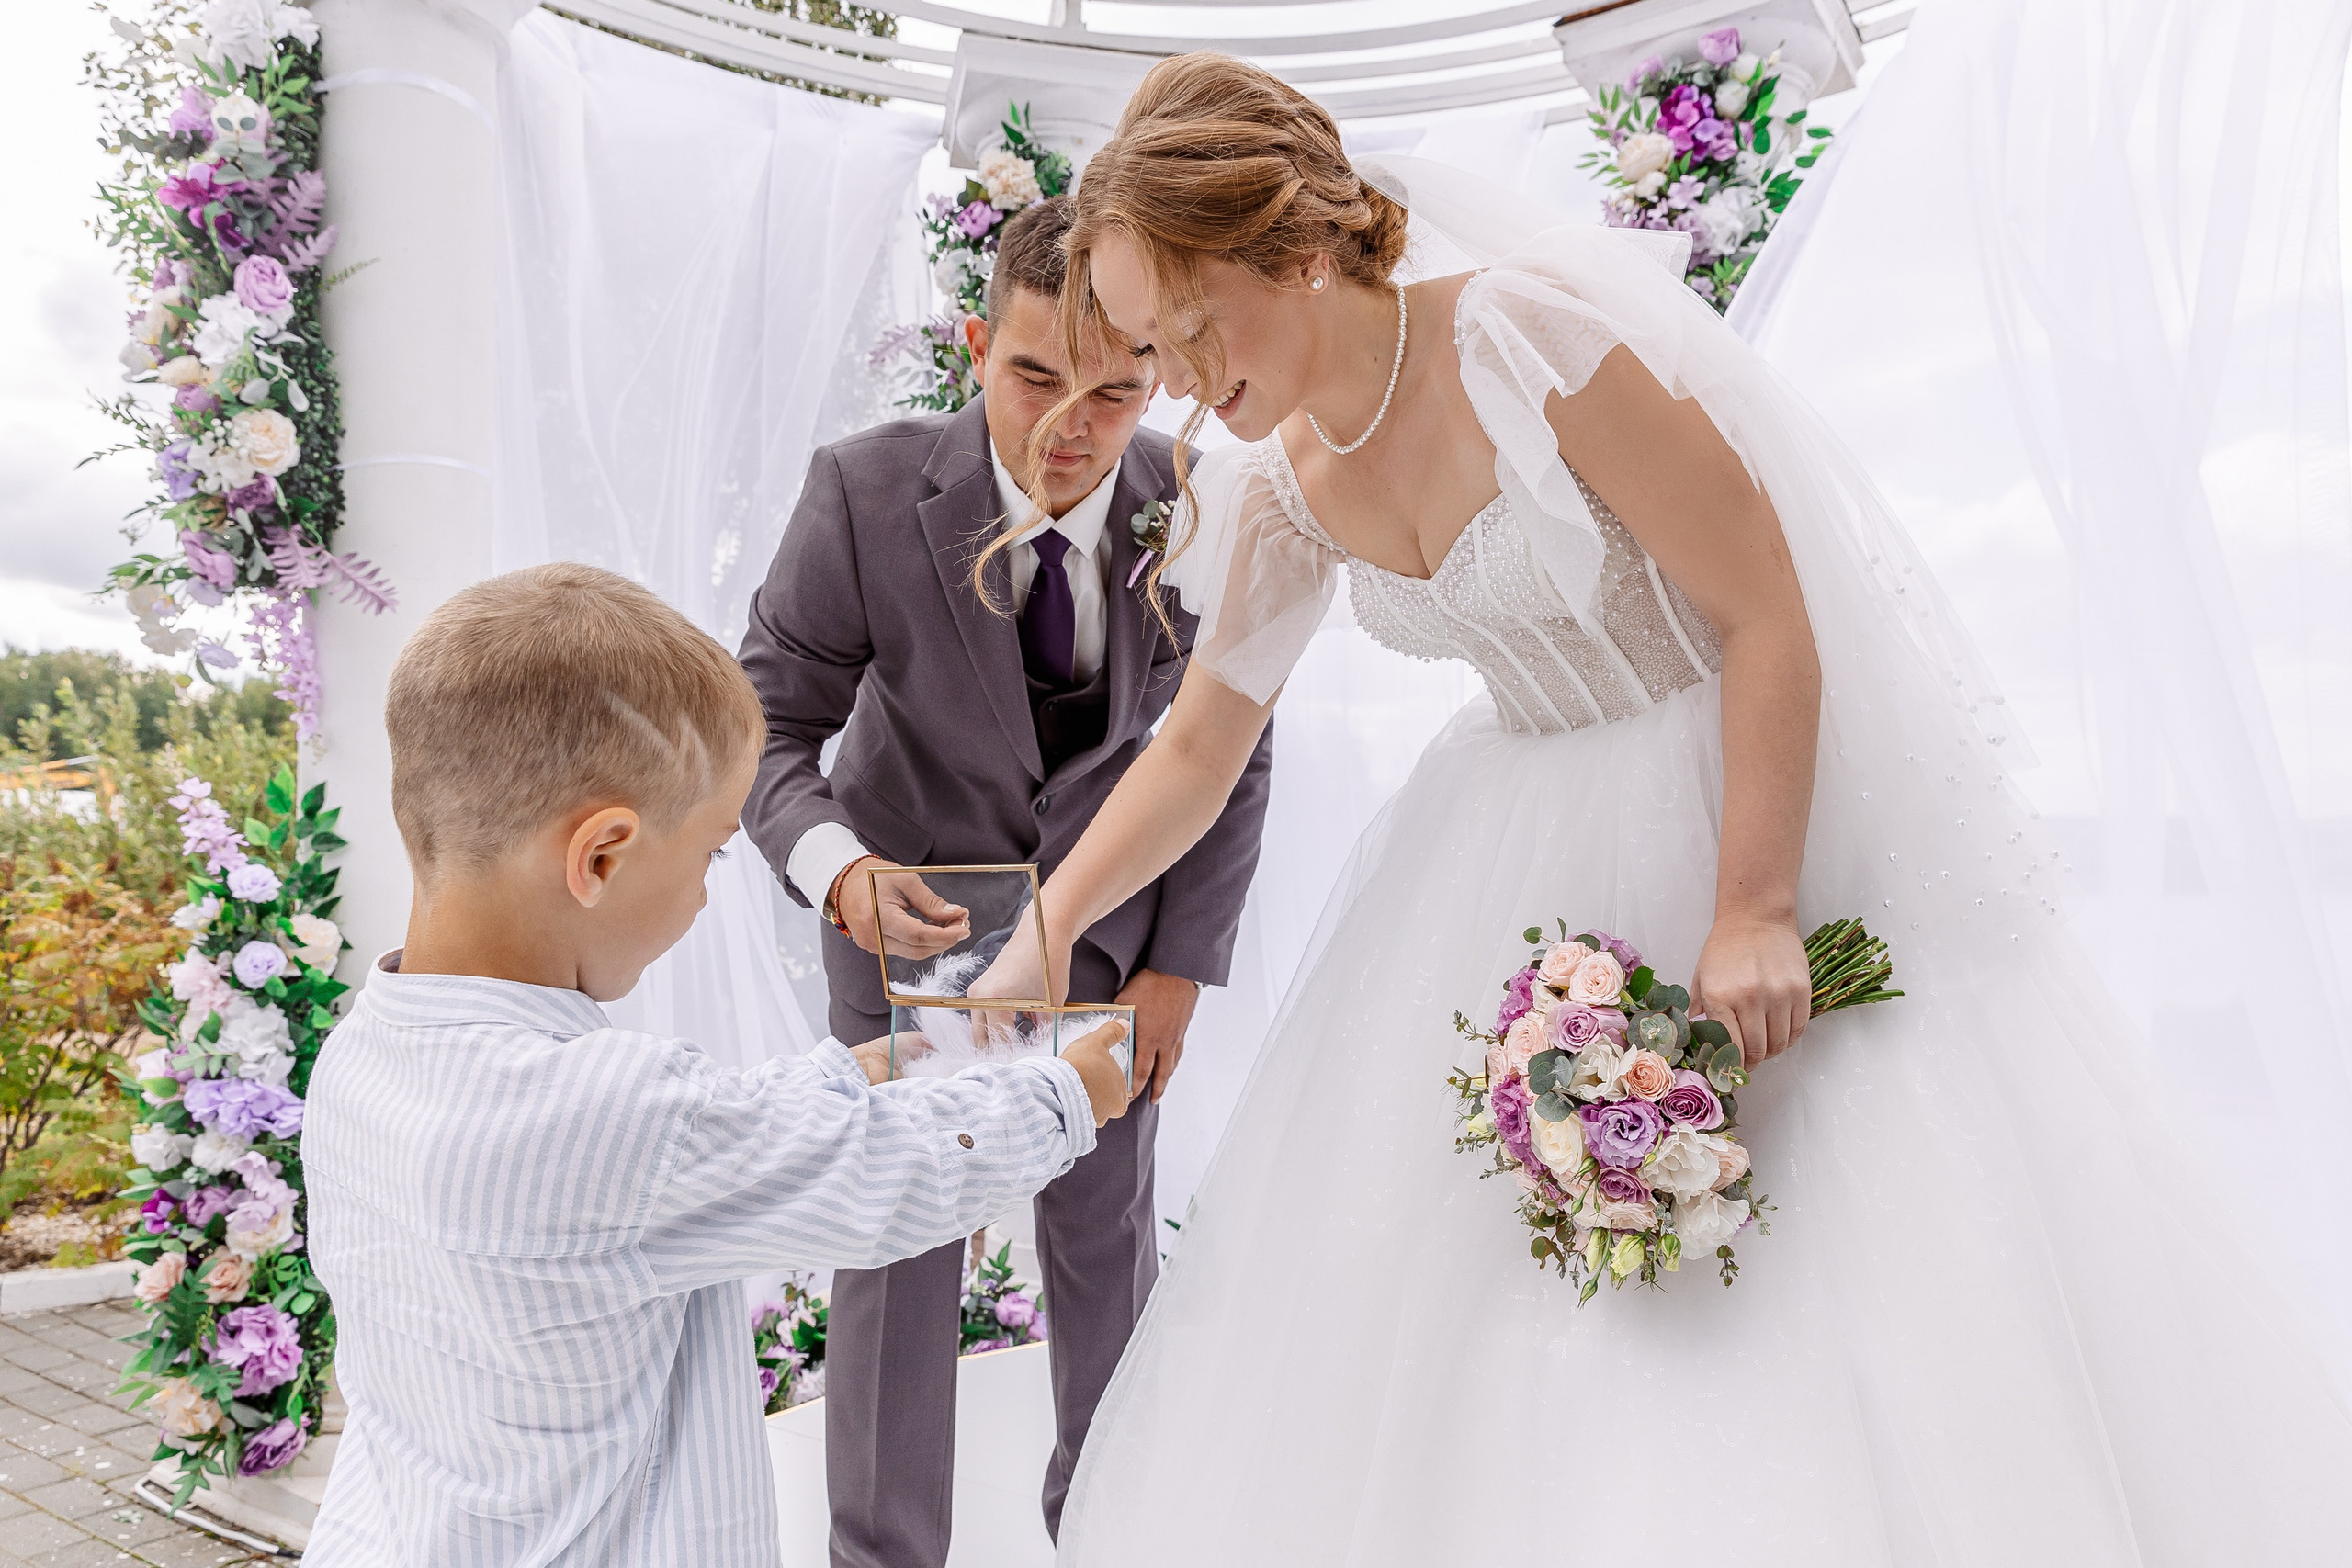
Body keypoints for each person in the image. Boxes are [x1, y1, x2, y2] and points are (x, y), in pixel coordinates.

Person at [974, 54, 2352, 1564]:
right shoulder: (1274, 484)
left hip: (1737, 803)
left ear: (1288, 244)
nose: (1172, 377)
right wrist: (1047, 928)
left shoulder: (1532, 342)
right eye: (1147, 345)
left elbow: (1766, 609)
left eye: (1186, 326)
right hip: (1507, 866)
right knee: (1508, 1323)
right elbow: (1197, 747)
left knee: (1831, 1260)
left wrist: (1754, 904)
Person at [300, 563, 1136, 1568]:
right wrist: (1072, 1088)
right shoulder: (607, 1115)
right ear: (602, 856)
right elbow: (882, 1177)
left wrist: (869, 1066)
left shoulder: (365, 1057)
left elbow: (717, 1137)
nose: (703, 897)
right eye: (710, 855)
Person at [737, 195, 1273, 1567]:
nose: (1071, 427)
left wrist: (1178, 966)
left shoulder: (1199, 506)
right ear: (976, 341)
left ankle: (1107, 1531)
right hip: (903, 934)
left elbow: (1233, 739)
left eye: (1116, 387)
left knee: (1107, 1252)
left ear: (1158, 370)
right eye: (1035, 375)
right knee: (896, 1262)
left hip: (1112, 946)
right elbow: (765, 721)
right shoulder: (862, 493)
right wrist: (838, 868)